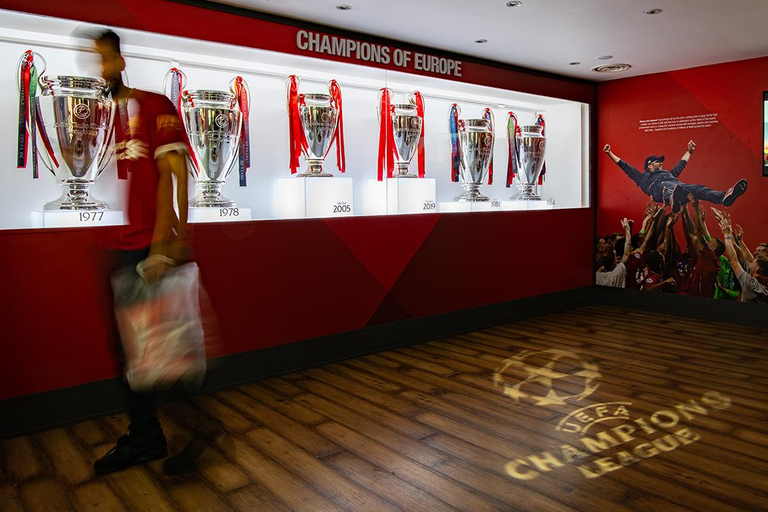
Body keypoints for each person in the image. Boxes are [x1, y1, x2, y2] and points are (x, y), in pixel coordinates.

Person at [91, 29, 202, 475]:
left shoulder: (155, 105)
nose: (99, 69)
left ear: (119, 60)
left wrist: (165, 246)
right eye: (93, 61)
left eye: (103, 60)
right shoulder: (105, 118)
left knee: (154, 354)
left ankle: (165, 433)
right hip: (121, 249)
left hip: (146, 252)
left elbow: (175, 177)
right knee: (136, 355)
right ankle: (156, 433)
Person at [603, 140, 747, 212]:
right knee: (668, 187)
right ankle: (673, 199)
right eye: (657, 162)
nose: (660, 163)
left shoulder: (669, 174)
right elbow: (626, 167)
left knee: (698, 188)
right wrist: (610, 153)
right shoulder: (642, 178)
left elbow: (681, 164)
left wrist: (689, 151)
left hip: (679, 189)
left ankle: (722, 197)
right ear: (649, 165)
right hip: (661, 191)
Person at [717, 212, 768, 304]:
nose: (750, 263)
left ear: (757, 270)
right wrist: (739, 239)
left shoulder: (751, 284)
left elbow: (733, 259)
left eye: (753, 263)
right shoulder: (763, 282)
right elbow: (747, 259)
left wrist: (726, 234)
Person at [596, 218, 632, 287]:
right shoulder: (616, 273)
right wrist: (627, 230)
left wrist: (605, 265)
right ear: (614, 262)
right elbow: (627, 253)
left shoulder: (597, 276)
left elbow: (599, 270)